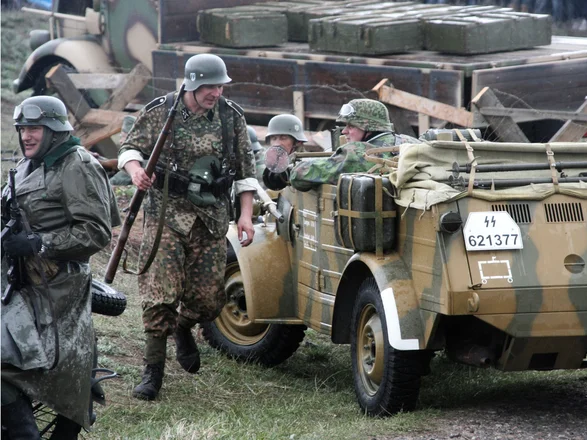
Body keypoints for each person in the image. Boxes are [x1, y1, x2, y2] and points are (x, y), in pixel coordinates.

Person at [118, 53, 257, 401]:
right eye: (209, 86)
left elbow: (245, 172)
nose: (216, 93)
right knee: (160, 294)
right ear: (192, 84)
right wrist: (136, 171)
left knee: (209, 300)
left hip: (210, 218)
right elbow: (129, 148)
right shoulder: (162, 110)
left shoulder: (230, 118)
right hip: (166, 213)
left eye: (220, 86)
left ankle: (183, 327)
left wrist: (245, 215)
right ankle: (153, 371)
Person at [1, 96, 119, 438]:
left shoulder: (76, 165)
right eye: (22, 128)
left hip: (55, 289)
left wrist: (40, 242)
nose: (26, 136)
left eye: (34, 128)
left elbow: (96, 232)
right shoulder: (31, 163)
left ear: (54, 130)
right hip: (21, 282)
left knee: (10, 366)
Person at [287, 99, 419, 192]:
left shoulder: (356, 153)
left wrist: (289, 171)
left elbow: (300, 176)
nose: (344, 131)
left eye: (351, 126)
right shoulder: (410, 143)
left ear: (368, 127)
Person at [260, 114, 308, 191]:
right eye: (274, 138)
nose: (277, 143)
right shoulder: (270, 164)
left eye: (283, 138)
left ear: (298, 142)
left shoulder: (307, 165)